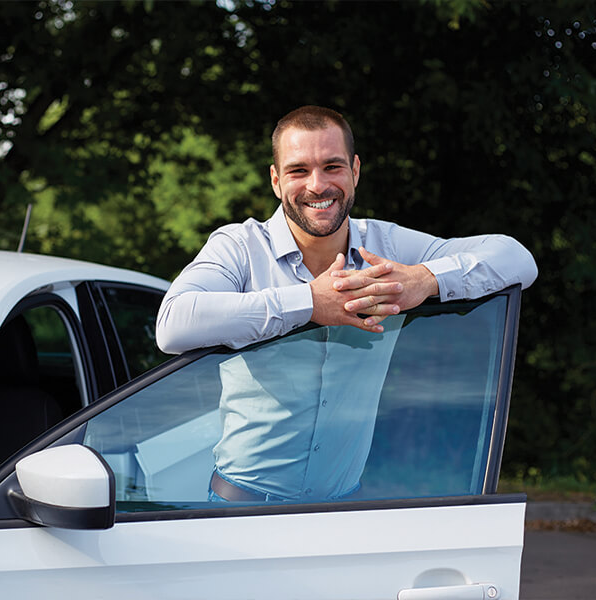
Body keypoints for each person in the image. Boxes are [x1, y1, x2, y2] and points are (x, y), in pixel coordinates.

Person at [156, 105, 538, 502]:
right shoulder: (240, 247)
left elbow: (517, 259)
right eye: (298, 170)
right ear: (275, 180)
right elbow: (173, 324)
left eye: (332, 166)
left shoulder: (388, 247)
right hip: (242, 507)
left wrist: (424, 279)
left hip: (346, 510)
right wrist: (309, 302)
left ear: (355, 171)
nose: (317, 185)